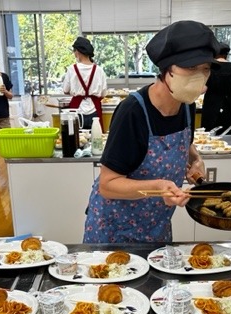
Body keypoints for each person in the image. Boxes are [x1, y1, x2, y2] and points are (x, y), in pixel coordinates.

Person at [83, 20, 217, 244]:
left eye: (205, 69)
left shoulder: (187, 104)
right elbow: (108, 184)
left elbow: (183, 143)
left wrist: (195, 158)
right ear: (167, 70)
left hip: (156, 225)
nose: (199, 77)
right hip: (116, 228)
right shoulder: (133, 112)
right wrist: (156, 186)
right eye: (191, 68)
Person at [62, 36, 108, 128]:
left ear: (78, 52)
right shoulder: (99, 70)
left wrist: (77, 92)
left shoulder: (72, 69)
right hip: (94, 111)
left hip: (76, 111)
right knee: (96, 139)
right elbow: (103, 93)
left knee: (75, 138)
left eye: (74, 51)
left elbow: (65, 90)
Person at [201, 42, 231, 134]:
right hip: (229, 106)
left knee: (209, 132)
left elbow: (202, 90)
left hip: (212, 105)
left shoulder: (210, 68)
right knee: (227, 132)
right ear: (226, 54)